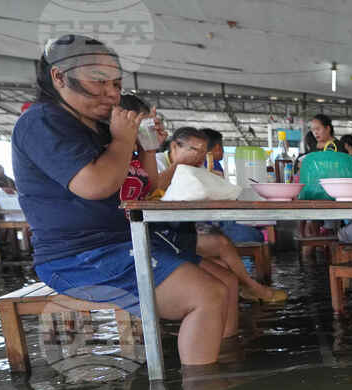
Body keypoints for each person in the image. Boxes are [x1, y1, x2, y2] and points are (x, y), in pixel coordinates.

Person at [12, 34, 240, 366]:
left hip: (122, 244)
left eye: (116, 84)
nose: (112, 93)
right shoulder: (42, 121)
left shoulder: (97, 126)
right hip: (80, 256)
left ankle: (226, 359)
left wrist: (145, 147)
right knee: (206, 295)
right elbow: (95, 185)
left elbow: (142, 190)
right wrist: (122, 139)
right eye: (99, 81)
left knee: (226, 281)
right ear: (59, 76)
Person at [121, 97, 284, 303]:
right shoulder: (157, 162)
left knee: (226, 249)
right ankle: (253, 287)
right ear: (173, 148)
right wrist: (177, 165)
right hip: (158, 233)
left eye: (202, 151)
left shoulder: (190, 167)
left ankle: (249, 288)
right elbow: (153, 190)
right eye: (193, 150)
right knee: (223, 247)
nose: (199, 156)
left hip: (179, 229)